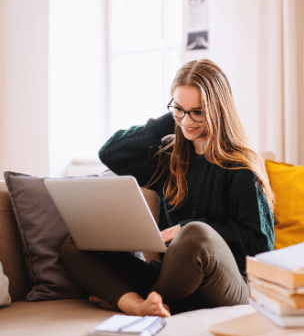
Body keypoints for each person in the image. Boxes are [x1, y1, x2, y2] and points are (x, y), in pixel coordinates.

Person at [59, 59, 275, 318]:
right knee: (75, 244)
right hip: (173, 276)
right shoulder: (168, 159)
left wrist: (188, 228)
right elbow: (111, 153)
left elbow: (260, 246)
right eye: (179, 109)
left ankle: (141, 301)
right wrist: (171, 118)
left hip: (231, 282)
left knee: (195, 234)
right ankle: (139, 305)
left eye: (198, 112)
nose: (187, 121)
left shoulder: (241, 167)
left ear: (218, 110)